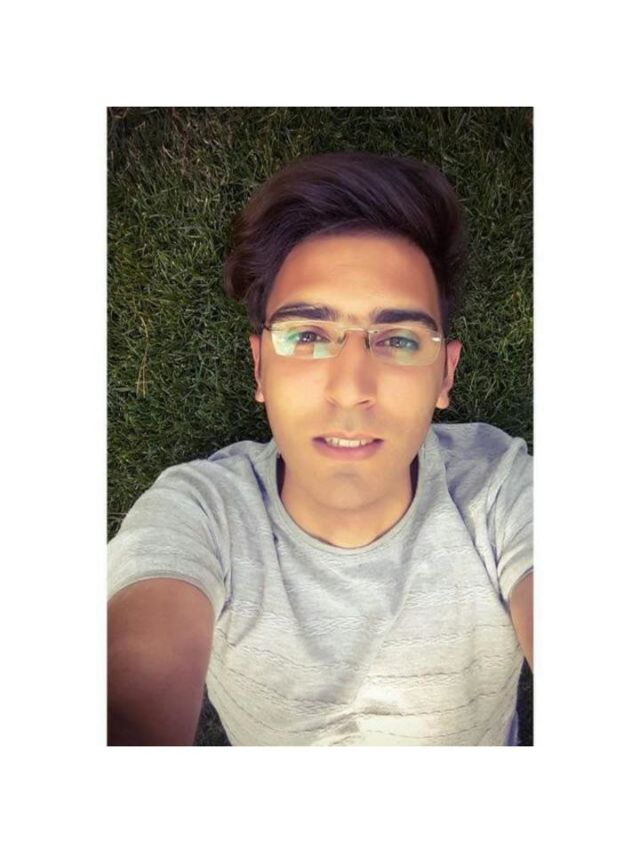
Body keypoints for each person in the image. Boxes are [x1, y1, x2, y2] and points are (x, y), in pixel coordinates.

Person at [107, 151, 533, 746]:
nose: (350, 390)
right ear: (260, 366)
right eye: (307, 335)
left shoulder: (503, 491)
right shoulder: (200, 514)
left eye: (399, 340)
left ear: (445, 374)